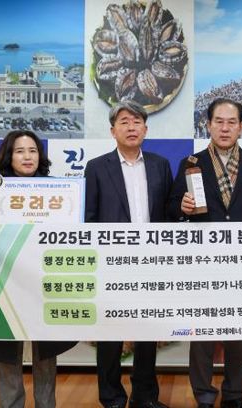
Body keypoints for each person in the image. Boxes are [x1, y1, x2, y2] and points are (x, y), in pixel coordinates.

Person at [169, 98, 242, 408]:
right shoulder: (191, 163)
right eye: (219, 122)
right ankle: (203, 395)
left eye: (231, 122)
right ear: (208, 125)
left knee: (238, 332)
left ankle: (234, 394)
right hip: (203, 262)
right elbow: (171, 210)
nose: (225, 128)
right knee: (201, 334)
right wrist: (182, 208)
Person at [0, 130, 77, 408]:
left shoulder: (56, 189)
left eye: (32, 150)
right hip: (7, 279)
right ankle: (10, 404)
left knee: (46, 348)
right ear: (9, 156)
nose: (27, 156)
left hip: (45, 276)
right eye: (20, 151)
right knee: (6, 346)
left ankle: (46, 403)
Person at [84, 101, 173, 408]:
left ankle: (145, 397)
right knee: (110, 333)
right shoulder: (97, 167)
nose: (131, 127)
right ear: (113, 131)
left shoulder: (161, 165)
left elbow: (168, 214)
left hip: (152, 261)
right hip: (111, 262)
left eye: (136, 122)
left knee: (147, 332)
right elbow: (89, 217)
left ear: (145, 129)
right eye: (124, 122)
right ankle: (111, 397)